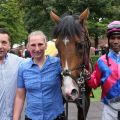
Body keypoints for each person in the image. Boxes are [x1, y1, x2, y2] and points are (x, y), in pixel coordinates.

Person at [13, 31, 65, 120]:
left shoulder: (57, 64)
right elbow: (20, 97)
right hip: (32, 116)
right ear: (28, 46)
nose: (37, 49)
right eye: (33, 45)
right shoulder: (23, 68)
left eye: (40, 44)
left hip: (56, 116)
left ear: (46, 45)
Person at [86, 21, 120, 120]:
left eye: (119, 38)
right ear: (108, 39)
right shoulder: (101, 61)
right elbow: (94, 83)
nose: (116, 41)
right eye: (113, 38)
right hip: (109, 109)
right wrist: (87, 76)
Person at [0, 28, 24, 120]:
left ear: (9, 45)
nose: (0, 46)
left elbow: (38, 62)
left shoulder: (19, 62)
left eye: (4, 42)